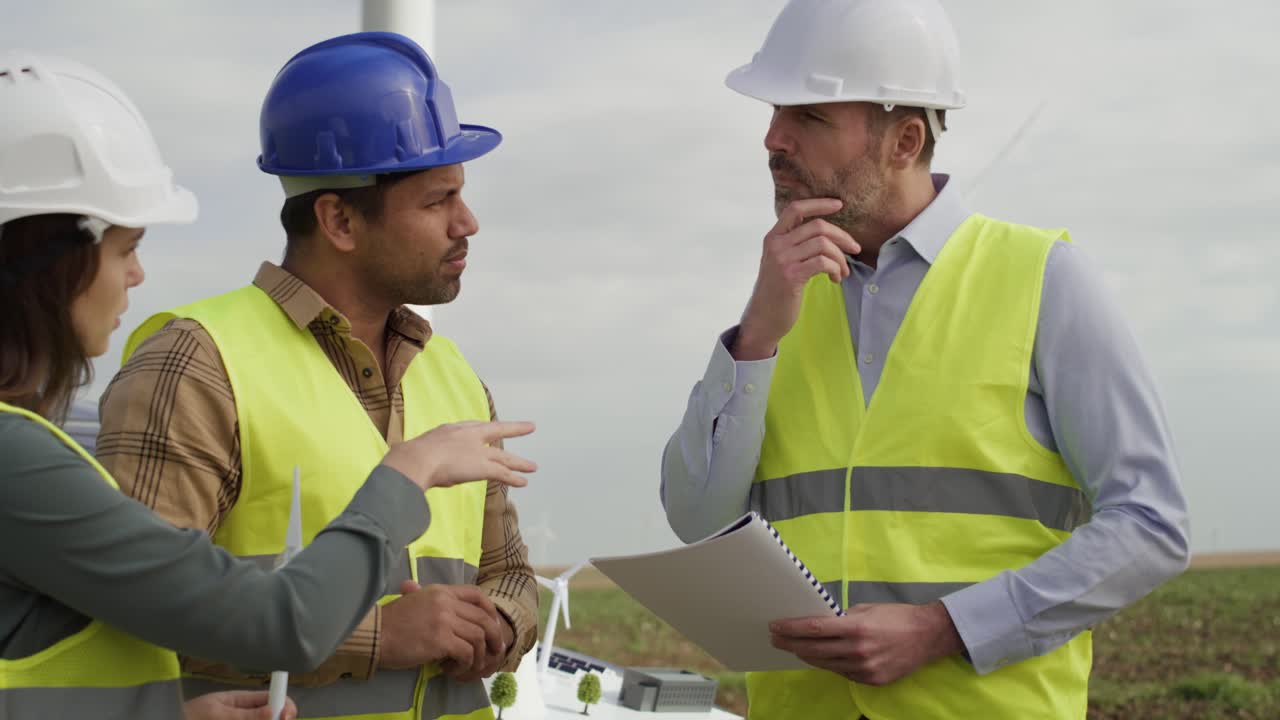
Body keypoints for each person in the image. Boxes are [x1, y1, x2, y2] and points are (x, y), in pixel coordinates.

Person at [659, 1, 1191, 718]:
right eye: (776, 110)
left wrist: (948, 629)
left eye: (809, 116)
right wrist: (754, 337)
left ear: (905, 141)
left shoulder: (1044, 280)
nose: (773, 137)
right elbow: (696, 519)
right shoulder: (781, 302)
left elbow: (1151, 525)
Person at [0, 51, 536, 720]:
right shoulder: (196, 362)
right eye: (438, 200)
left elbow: (508, 570)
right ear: (339, 221)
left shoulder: (453, 375)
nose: (467, 222)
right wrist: (381, 633)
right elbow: (150, 620)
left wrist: (499, 623)